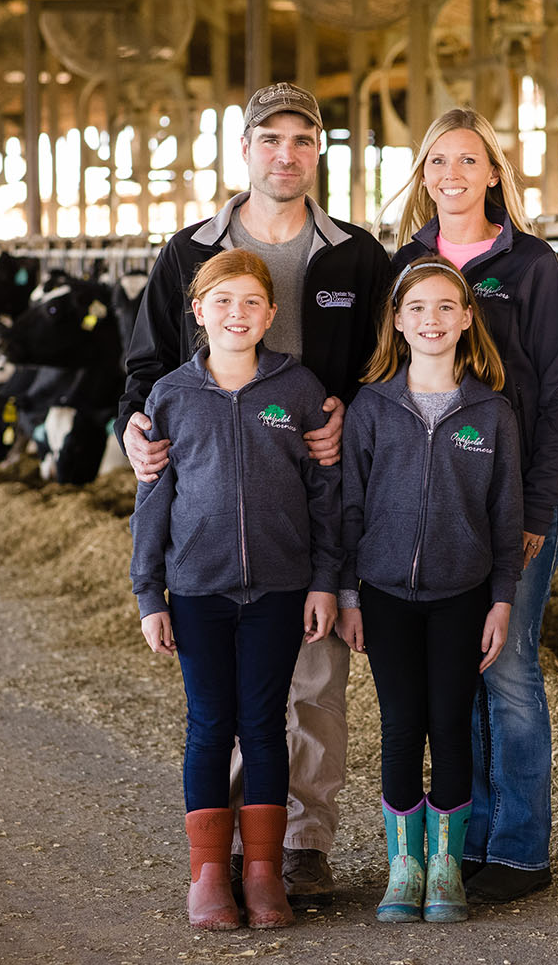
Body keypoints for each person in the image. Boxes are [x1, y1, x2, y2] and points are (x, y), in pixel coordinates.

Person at [119, 81, 392, 906]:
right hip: (210, 495)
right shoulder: (186, 252)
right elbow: (144, 370)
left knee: (314, 676)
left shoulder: (355, 254)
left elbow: (390, 359)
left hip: (314, 487)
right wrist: (131, 425)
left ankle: (302, 842)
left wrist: (354, 405)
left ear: (319, 152)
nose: (286, 154)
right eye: (270, 139)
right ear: (244, 149)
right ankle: (235, 842)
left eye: (303, 140)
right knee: (233, 695)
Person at [379, 108, 558, 903]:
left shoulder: (529, 265)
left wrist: (536, 506)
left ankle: (523, 849)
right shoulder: (406, 263)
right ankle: (466, 842)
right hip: (439, 508)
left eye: (469, 160)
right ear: (423, 173)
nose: (452, 174)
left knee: (512, 669)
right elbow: (386, 371)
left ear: (494, 172)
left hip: (515, 503)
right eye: (438, 161)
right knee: (454, 676)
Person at [130, 249, 341, 930]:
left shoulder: (297, 389)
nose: (237, 314)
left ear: (272, 314)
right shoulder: (170, 395)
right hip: (196, 591)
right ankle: (206, 876)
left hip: (280, 590)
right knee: (209, 726)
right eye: (222, 301)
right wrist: (149, 594)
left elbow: (325, 494)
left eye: (252, 302)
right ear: (198, 312)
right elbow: (153, 499)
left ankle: (263, 873)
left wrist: (325, 580)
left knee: (265, 725)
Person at [336, 255, 523, 923]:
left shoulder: (491, 412)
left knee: (450, 722)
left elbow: (506, 514)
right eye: (417, 308)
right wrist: (349, 594)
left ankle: (446, 865)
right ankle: (403, 866)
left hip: (462, 593)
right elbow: (348, 507)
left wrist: (501, 596)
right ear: (397, 320)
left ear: (468, 318)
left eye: (446, 306)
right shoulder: (372, 406)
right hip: (384, 592)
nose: (432, 319)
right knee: (399, 723)